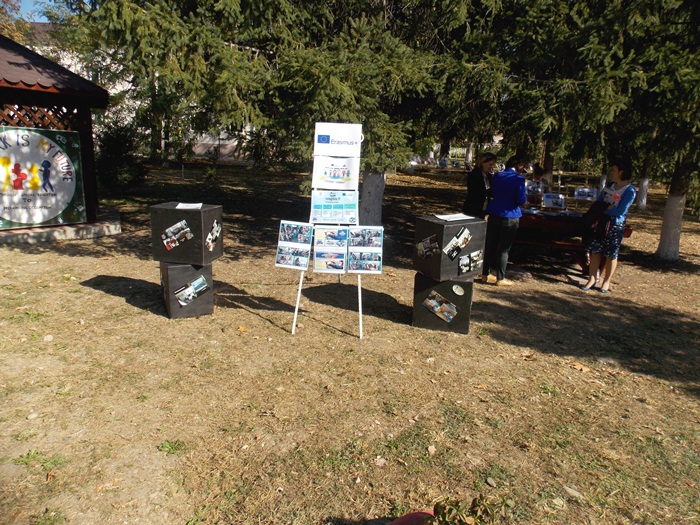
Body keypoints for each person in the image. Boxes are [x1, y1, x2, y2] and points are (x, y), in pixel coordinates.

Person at [580, 160, 636, 293]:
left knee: (611, 254)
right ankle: (592, 279)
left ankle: (606, 282)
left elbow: (621, 210)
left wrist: (604, 210)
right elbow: (599, 202)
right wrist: (604, 209)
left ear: (621, 172)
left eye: (614, 170)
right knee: (595, 250)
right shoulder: (609, 186)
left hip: (615, 224)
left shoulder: (629, 190)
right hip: (600, 222)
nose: (611, 173)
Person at [480, 155, 527, 286]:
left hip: (495, 213)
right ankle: (500, 278)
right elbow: (521, 200)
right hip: (510, 215)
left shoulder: (497, 176)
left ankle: (484, 274)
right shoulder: (518, 179)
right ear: (518, 166)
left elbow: (493, 192)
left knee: (490, 245)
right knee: (504, 248)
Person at [462, 152, 497, 218]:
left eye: (493, 165)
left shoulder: (489, 176)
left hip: (484, 207)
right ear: (482, 163)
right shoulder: (474, 175)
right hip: (473, 207)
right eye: (490, 165)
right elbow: (474, 192)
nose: (491, 167)